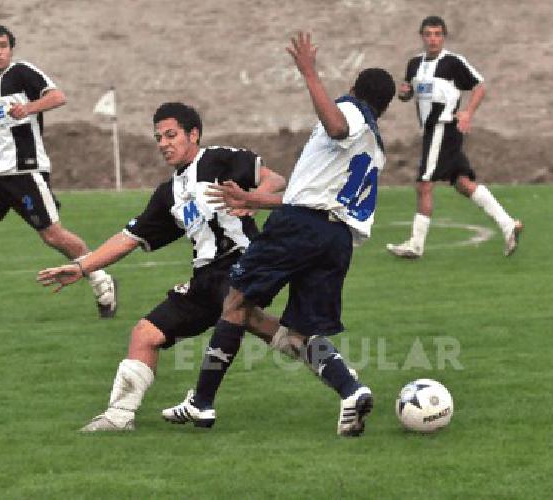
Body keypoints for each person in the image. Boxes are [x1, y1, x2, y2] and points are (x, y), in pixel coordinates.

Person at [160, 31, 396, 437]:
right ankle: (351, 391)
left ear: (355, 90)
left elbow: (337, 126)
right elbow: (317, 195)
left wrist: (309, 73)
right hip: (336, 241)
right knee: (303, 333)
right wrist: (255, 200)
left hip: (301, 229)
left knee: (234, 302)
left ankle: (201, 402)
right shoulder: (375, 147)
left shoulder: (351, 112)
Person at [37, 102, 305, 432]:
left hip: (241, 265)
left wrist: (253, 199)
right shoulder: (169, 194)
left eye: (170, 135)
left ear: (194, 134)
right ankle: (119, 417)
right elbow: (129, 237)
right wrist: (81, 267)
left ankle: (202, 404)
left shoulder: (219, 159)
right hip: (205, 277)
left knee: (245, 316)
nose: (163, 143)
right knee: (146, 334)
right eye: (158, 137)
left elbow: (275, 180)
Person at [0, 22, 117, 317]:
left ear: (11, 49)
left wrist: (28, 108)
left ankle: (101, 279)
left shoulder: (22, 72)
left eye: (3, 46)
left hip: (27, 172)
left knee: (53, 236)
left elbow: (58, 97)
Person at [386, 15, 523, 259]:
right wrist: (405, 93)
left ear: (444, 36)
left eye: (438, 34)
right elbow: (408, 93)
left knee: (424, 184)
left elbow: (480, 86)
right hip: (431, 131)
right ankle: (508, 224)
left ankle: (415, 245)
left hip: (444, 127)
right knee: (462, 184)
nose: (433, 39)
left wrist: (468, 113)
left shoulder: (453, 62)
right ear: (422, 36)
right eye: (428, 34)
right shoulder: (414, 64)